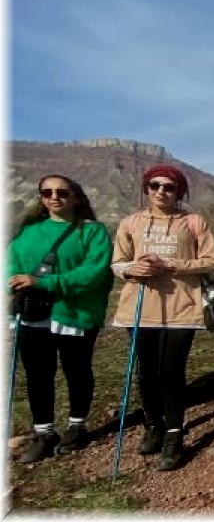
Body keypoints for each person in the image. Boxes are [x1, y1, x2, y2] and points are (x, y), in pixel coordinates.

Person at [110, 165, 214, 471]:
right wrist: (132, 269)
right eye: (155, 185)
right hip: (140, 307)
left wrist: (172, 264)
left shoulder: (194, 222)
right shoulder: (131, 223)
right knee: (146, 371)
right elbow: (117, 263)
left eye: (169, 187)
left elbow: (211, 260)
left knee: (171, 371)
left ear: (180, 192)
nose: (161, 191)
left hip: (181, 307)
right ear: (146, 189)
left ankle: (174, 435)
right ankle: (152, 425)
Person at [7, 175, 114, 463]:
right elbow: (10, 266)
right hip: (32, 315)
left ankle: (77, 426)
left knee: (77, 371)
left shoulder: (93, 232)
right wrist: (12, 284)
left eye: (62, 192)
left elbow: (94, 273)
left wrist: (43, 283)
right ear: (41, 197)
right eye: (47, 192)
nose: (55, 197)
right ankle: (44, 433)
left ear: (76, 197)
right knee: (38, 376)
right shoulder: (28, 232)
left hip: (75, 315)